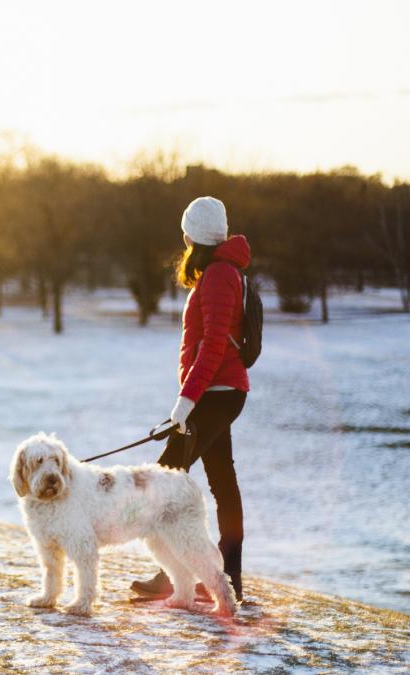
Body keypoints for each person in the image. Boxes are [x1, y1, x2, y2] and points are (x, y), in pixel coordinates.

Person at [131, 195, 251, 603]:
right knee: (222, 483)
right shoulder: (221, 271)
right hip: (218, 393)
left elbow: (214, 345)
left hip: (217, 394)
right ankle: (226, 577)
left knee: (164, 476)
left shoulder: (219, 274)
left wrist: (184, 406)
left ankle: (175, 576)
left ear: (192, 237)